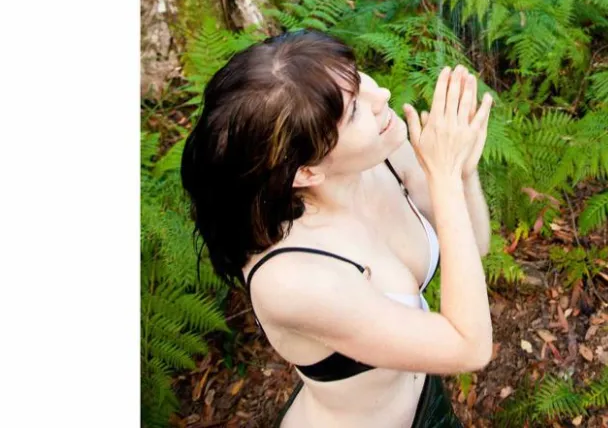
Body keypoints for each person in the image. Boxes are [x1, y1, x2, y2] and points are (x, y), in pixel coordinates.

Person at [180, 29, 494, 428]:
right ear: (307, 172)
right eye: (354, 110)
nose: (381, 96)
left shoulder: (381, 151)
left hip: (427, 400)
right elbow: (469, 348)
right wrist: (444, 179)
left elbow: (474, 247)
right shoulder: (291, 277)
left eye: (358, 78)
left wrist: (462, 173)